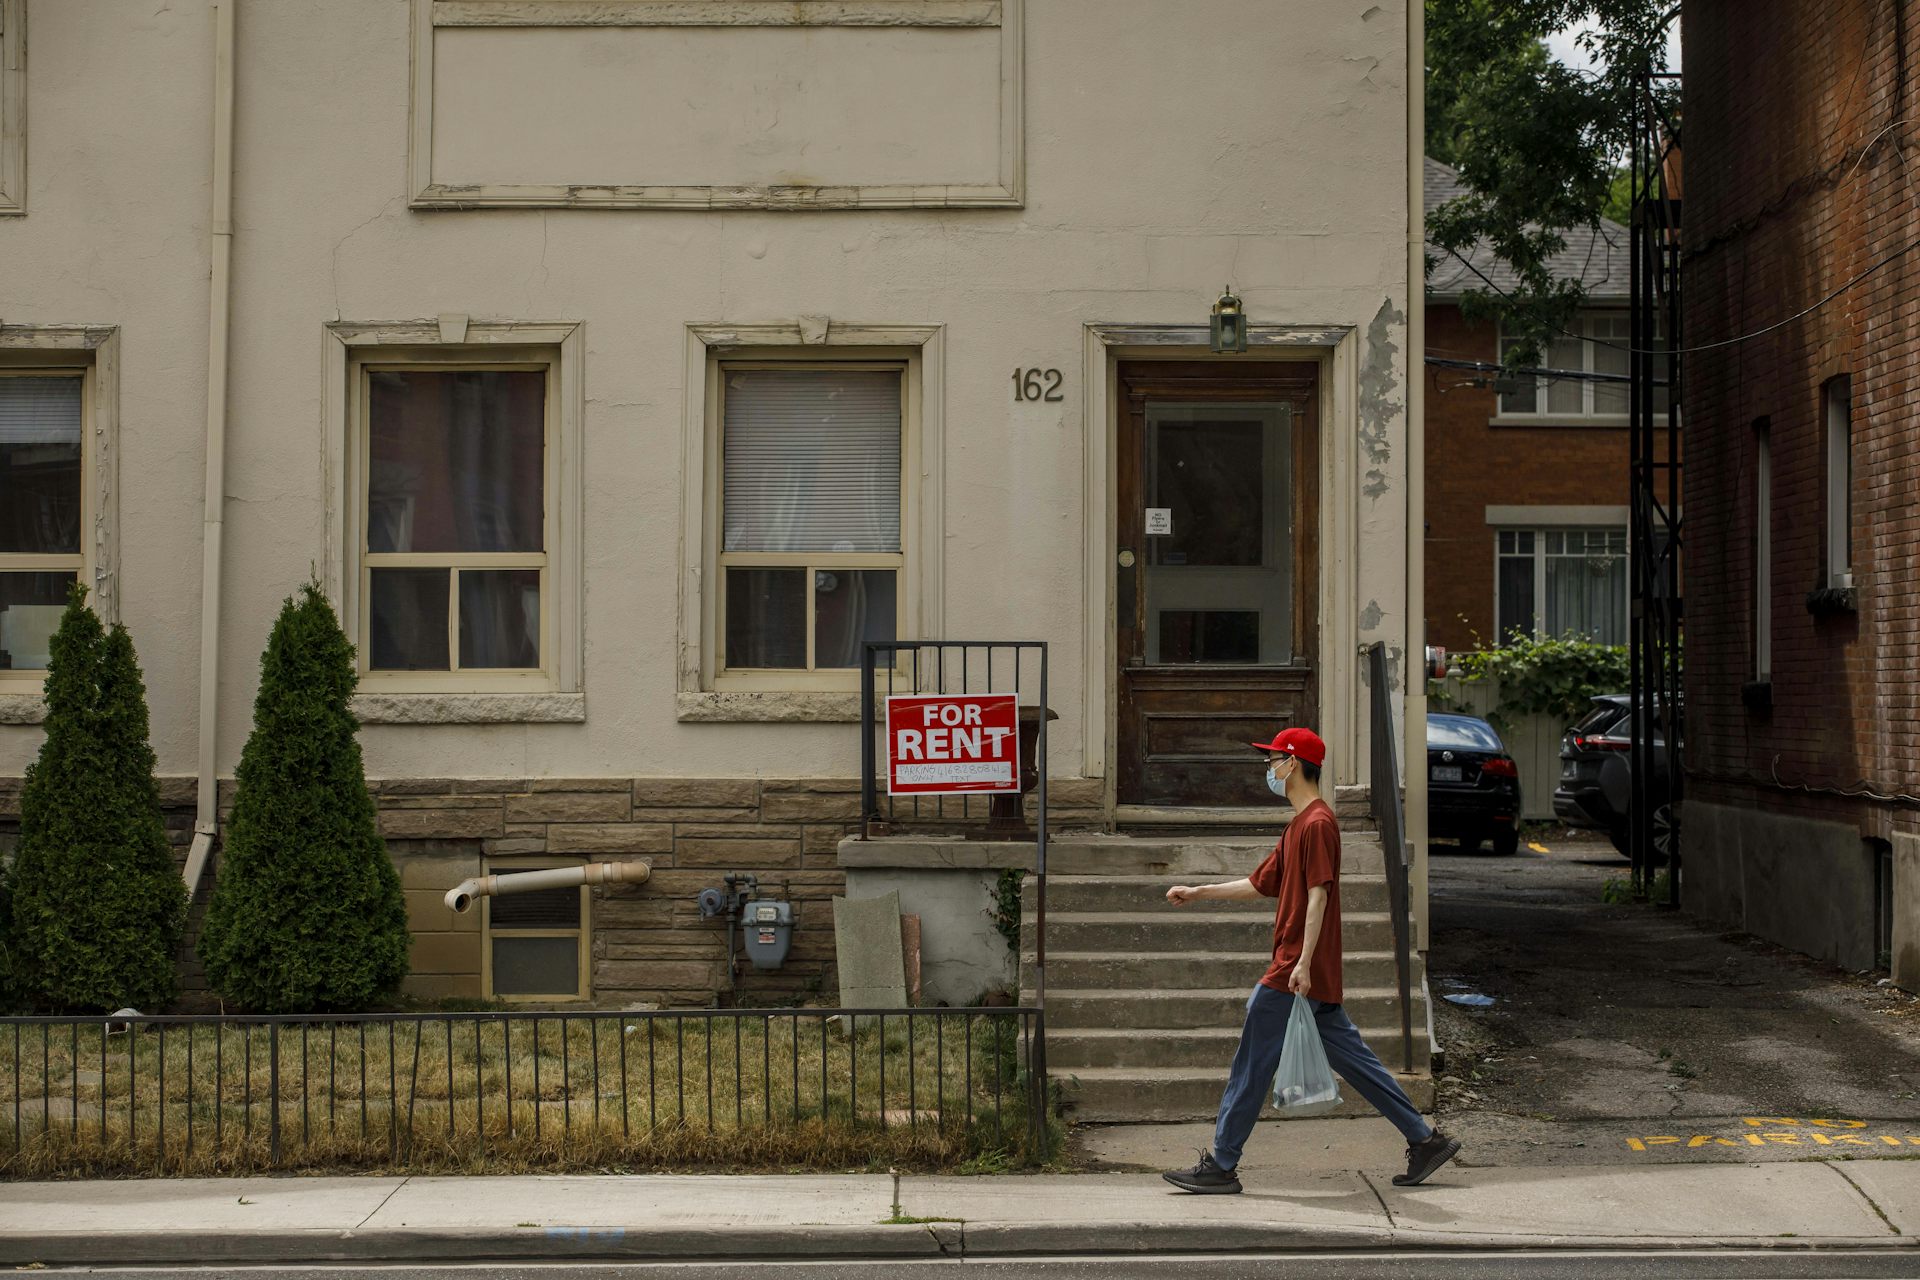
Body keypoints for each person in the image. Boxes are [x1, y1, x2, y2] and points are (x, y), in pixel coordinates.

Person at [1160, 726, 1460, 1194]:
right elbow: (1260, 884)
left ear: (1293, 764)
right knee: (1358, 1063)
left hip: (1294, 971)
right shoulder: (1300, 824)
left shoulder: (1318, 824)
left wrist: (1301, 962)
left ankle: (1221, 1164)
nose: (1269, 769)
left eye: (1273, 760)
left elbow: (1319, 896)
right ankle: (1425, 1139)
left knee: (1251, 1064)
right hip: (1307, 971)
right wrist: (1198, 893)